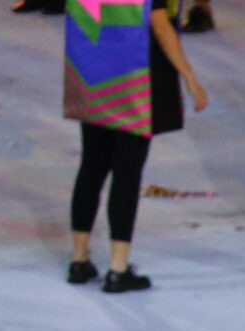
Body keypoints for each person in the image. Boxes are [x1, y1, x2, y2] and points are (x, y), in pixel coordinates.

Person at [60, 0, 204, 291]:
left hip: (93, 74)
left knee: (92, 165)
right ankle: (118, 267)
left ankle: (78, 259)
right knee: (127, 173)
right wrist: (190, 78)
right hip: (133, 79)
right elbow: (160, 24)